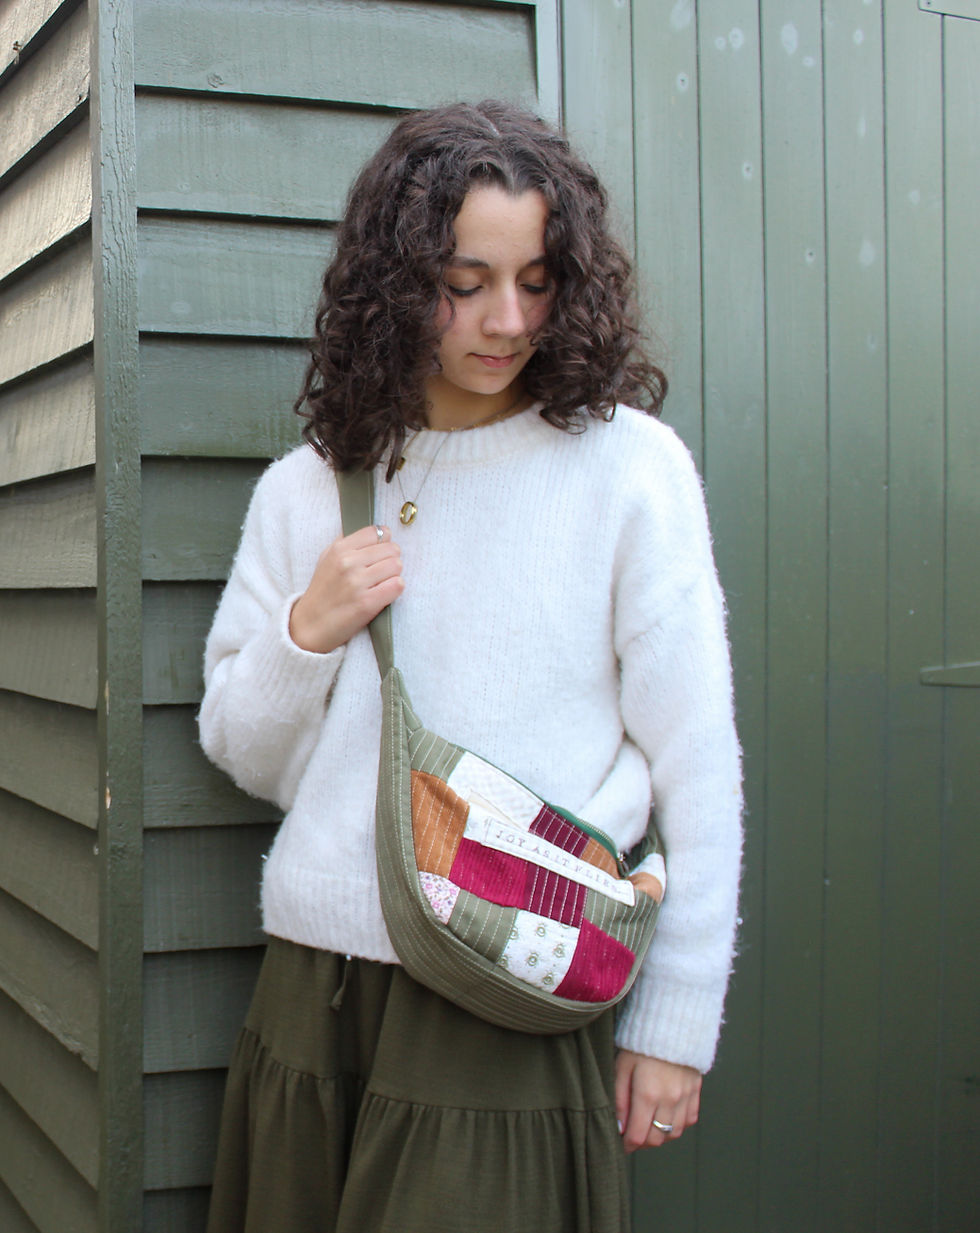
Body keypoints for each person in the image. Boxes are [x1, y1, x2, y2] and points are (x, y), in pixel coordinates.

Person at [199, 99, 742, 1233]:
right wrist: (308, 631)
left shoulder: (628, 471)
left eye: (537, 280)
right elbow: (243, 757)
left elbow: (696, 764)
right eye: (463, 280)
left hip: (512, 984)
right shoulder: (310, 488)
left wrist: (673, 1024)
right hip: (319, 993)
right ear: (396, 283)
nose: (505, 319)